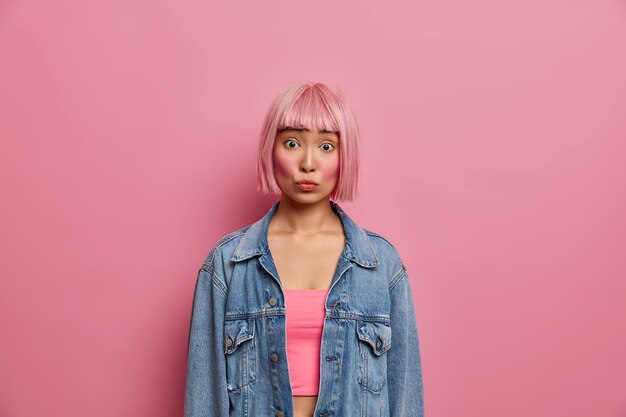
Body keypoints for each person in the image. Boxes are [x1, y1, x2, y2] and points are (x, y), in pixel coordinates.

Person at [184, 82, 424, 417]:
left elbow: (405, 398)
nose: (308, 162)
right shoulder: (228, 265)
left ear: (345, 156)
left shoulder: (382, 265)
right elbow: (204, 402)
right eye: (293, 143)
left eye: (326, 146)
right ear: (272, 148)